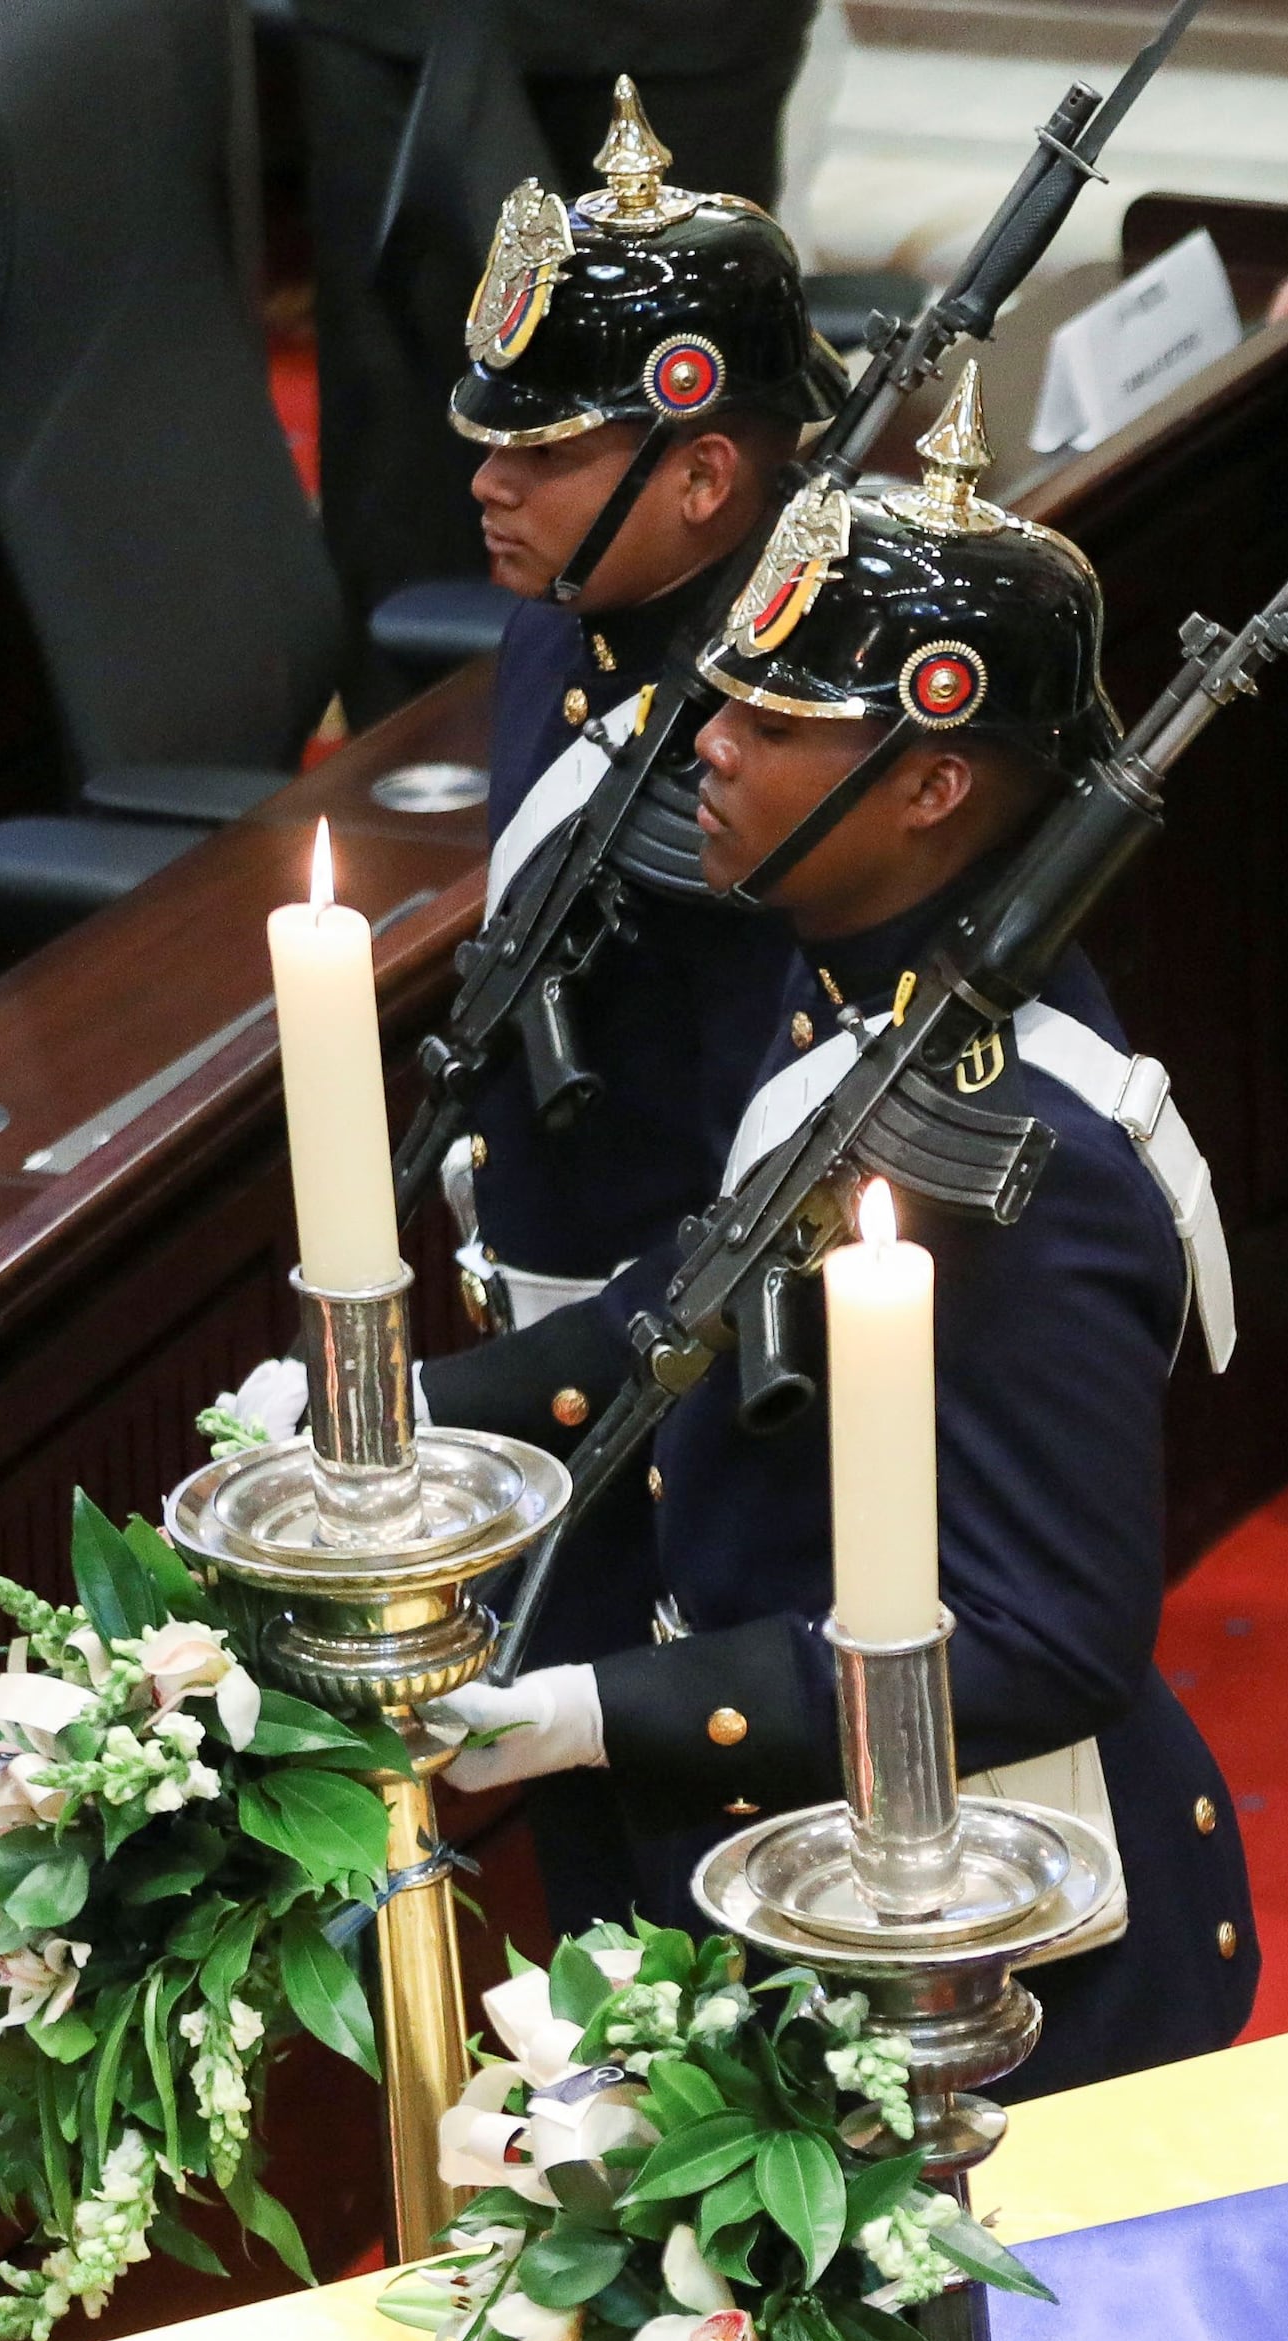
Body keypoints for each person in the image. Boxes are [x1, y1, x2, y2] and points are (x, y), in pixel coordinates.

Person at [413, 377, 1260, 2096]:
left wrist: (596, 1714)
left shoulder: (1025, 1152)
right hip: (789, 1841)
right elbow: (693, 1298)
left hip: (981, 1969)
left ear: (934, 782)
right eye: (720, 698)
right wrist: (417, 1416)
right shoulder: (852, 985)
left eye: (771, 720)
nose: (706, 742)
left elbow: (1043, 1639)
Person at [429, 81, 835, 1932]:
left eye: (547, 454)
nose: (489, 484)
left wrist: (497, 1392)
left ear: (702, 472)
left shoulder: (785, 750)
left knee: (696, 1909)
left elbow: (787, 1167)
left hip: (705, 1410)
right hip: (555, 1369)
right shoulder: (561, 621)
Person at [290, 1, 819, 689]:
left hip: (685, 34)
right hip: (402, 25)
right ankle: (410, 771)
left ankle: (682, 764)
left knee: (685, 411)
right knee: (401, 433)